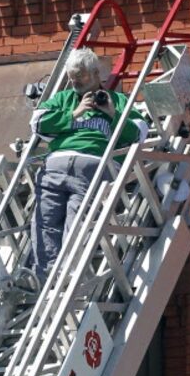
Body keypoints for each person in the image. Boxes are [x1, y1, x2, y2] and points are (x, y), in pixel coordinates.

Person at [29, 46, 147, 283]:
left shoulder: (117, 100)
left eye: (80, 77)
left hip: (92, 167)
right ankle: (47, 277)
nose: (75, 83)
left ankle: (70, 276)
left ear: (95, 74)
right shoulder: (64, 99)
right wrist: (74, 112)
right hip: (56, 165)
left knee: (78, 219)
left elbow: (139, 134)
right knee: (44, 220)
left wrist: (113, 114)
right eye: (72, 78)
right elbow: (37, 122)